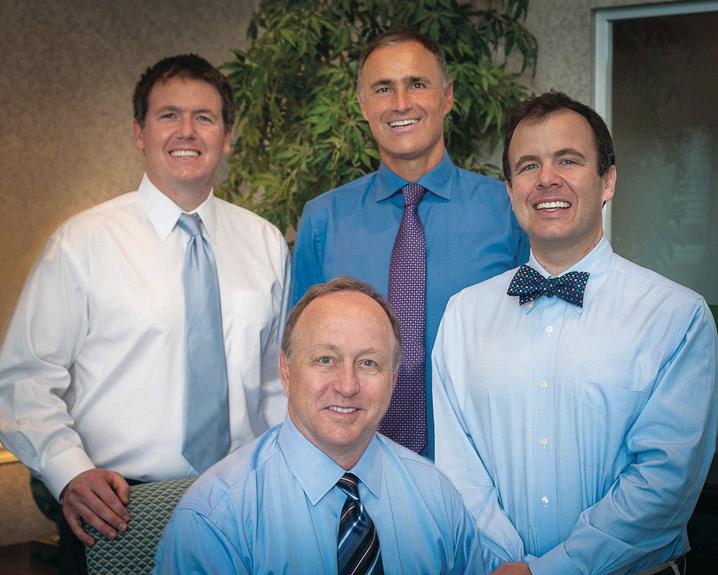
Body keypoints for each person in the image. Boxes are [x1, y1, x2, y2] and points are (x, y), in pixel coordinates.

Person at [0, 54, 290, 572]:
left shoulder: (265, 242)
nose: (187, 131)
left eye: (204, 117)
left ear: (227, 136)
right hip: (117, 510)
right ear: (139, 132)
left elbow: (275, 382)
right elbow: (24, 380)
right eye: (168, 115)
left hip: (241, 504)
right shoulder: (82, 244)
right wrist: (69, 472)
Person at [432, 91, 718, 575]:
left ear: (608, 181)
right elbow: (458, 470)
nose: (547, 178)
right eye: (528, 165)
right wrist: (509, 564)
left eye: (568, 160)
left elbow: (664, 481)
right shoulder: (463, 315)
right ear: (510, 192)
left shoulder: (676, 317)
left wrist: (551, 570)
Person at [292, 28, 528, 458]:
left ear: (447, 96)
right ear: (362, 103)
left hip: (479, 465)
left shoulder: (509, 212)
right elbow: (300, 360)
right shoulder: (323, 220)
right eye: (383, 88)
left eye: (417, 84)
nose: (401, 103)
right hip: (351, 466)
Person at [154, 277, 486, 574]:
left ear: (393, 381)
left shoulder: (437, 497)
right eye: (325, 359)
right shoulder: (215, 516)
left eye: (368, 363)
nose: (347, 385)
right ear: (286, 371)